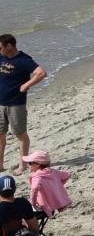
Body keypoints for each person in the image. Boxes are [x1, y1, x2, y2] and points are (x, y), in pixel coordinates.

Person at [0, 34, 45, 175]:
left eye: (0, 47)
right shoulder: (1, 57)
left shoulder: (24, 60)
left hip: (16, 104)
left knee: (20, 134)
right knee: (0, 134)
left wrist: (26, 84)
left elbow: (41, 73)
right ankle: (0, 165)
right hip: (0, 103)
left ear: (9, 46)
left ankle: (23, 165)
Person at [20, 150, 69, 217]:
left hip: (45, 206)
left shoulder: (37, 177)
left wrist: (33, 203)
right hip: (56, 203)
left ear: (38, 165)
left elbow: (34, 189)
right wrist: (57, 186)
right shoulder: (54, 172)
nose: (28, 165)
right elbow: (67, 175)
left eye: (30, 163)